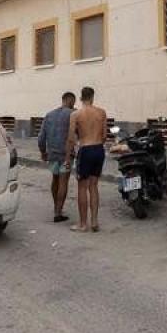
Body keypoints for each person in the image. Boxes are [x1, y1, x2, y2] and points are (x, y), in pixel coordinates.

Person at [66, 86, 107, 232]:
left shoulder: (76, 115)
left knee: (82, 187)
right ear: (92, 97)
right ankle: (94, 222)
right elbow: (104, 136)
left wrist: (68, 157)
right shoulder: (102, 112)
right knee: (94, 186)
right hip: (99, 149)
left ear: (81, 98)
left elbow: (71, 138)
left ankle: (83, 224)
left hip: (85, 149)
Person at [38, 92, 76, 222]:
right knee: (63, 182)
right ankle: (58, 213)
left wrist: (43, 152)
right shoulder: (72, 114)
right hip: (66, 155)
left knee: (55, 179)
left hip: (52, 154)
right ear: (71, 101)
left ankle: (56, 207)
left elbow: (41, 137)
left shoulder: (49, 115)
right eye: (73, 102)